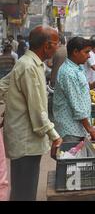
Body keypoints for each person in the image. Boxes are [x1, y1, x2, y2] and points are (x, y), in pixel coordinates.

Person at [0, 26, 62, 201]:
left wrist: (12, 105)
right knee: (25, 192)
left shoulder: (27, 63)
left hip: (23, 139)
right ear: (47, 45)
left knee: (21, 189)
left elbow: (4, 86)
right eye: (56, 44)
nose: (58, 48)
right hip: (26, 140)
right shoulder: (29, 67)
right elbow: (38, 109)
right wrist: (54, 136)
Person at [53, 37, 95, 142]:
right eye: (86, 52)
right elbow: (76, 106)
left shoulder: (77, 68)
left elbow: (81, 89)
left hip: (79, 127)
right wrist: (90, 129)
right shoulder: (69, 73)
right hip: (71, 129)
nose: (89, 55)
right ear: (75, 52)